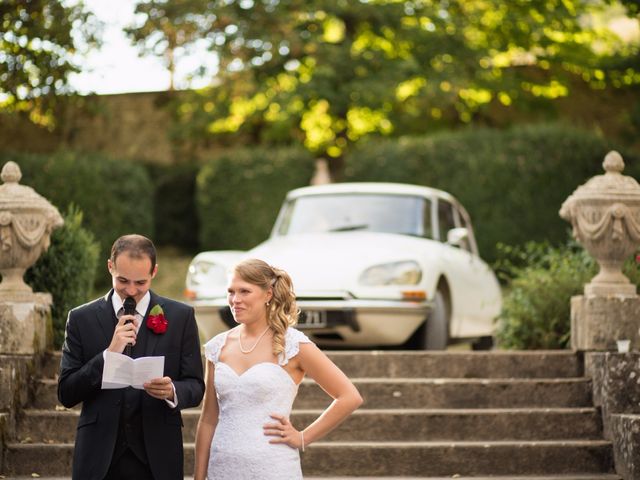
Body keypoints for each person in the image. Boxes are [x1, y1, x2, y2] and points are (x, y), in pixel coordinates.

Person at [194, 258, 363, 480]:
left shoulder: (293, 344)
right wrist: (198, 476)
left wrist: (303, 437)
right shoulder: (218, 346)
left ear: (268, 294)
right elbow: (208, 419)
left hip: (273, 467)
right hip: (222, 467)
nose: (235, 300)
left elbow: (349, 397)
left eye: (245, 291)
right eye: (231, 292)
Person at [58, 234, 205, 480]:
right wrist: (108, 354)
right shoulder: (80, 319)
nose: (131, 291)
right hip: (99, 455)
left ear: (154, 272)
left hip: (158, 456)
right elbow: (66, 393)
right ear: (110, 267)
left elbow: (196, 386)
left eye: (141, 282)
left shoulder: (181, 317)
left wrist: (172, 391)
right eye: (122, 280)